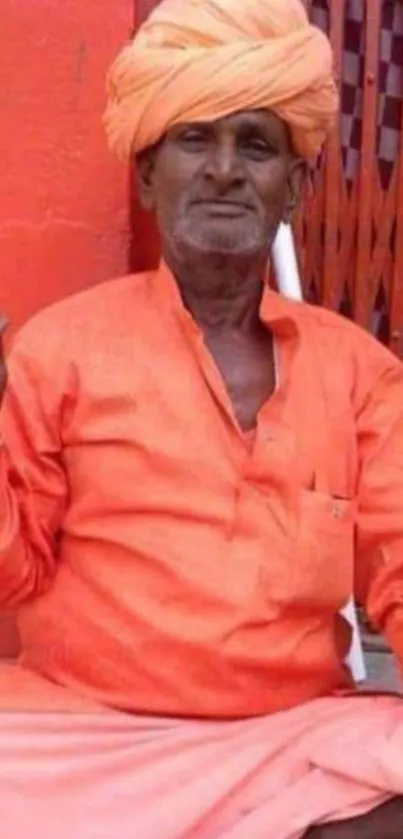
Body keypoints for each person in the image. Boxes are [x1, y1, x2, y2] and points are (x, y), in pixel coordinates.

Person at [0, 0, 402, 836]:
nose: (223, 169)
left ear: (291, 187)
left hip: (286, 737)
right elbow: (15, 573)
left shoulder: (362, 376)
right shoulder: (60, 348)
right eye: (194, 140)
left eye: (254, 145)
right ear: (148, 176)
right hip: (79, 738)